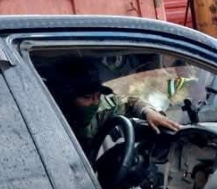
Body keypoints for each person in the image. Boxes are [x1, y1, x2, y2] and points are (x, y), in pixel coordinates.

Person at [50, 59, 180, 155]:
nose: (95, 102)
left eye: (97, 95)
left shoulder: (101, 105)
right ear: (68, 98)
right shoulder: (51, 119)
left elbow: (128, 100)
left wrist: (149, 112)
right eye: (87, 97)